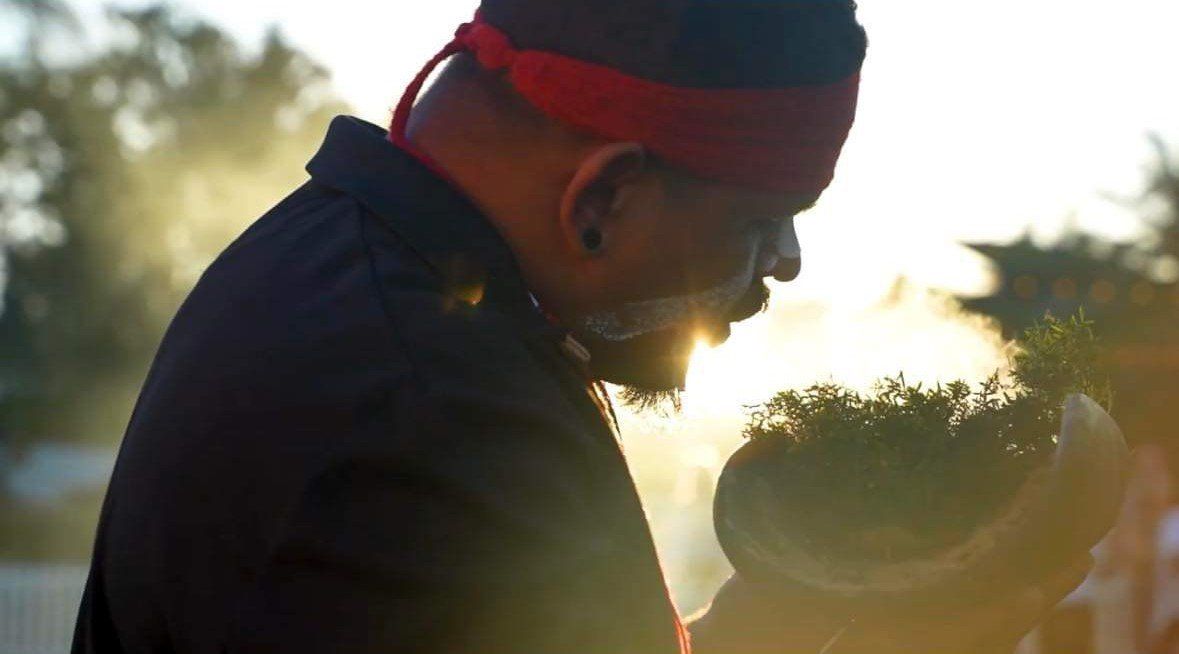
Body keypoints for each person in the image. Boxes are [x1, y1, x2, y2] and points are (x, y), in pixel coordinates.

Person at [72, 1, 1092, 652]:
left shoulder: (360, 268)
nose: (783, 265)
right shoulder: (433, 422)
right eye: (757, 220)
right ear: (601, 199)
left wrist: (777, 616)